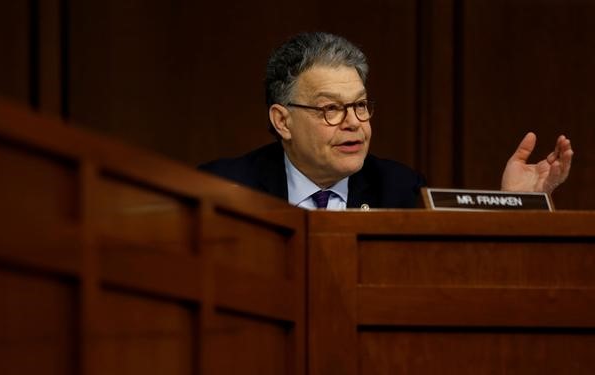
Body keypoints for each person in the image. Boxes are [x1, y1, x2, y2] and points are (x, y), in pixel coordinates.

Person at [200, 32, 573, 210]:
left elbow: (453, 277)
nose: (354, 123)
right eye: (331, 109)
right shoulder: (225, 188)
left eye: (361, 106)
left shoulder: (401, 190)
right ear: (283, 121)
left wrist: (517, 205)